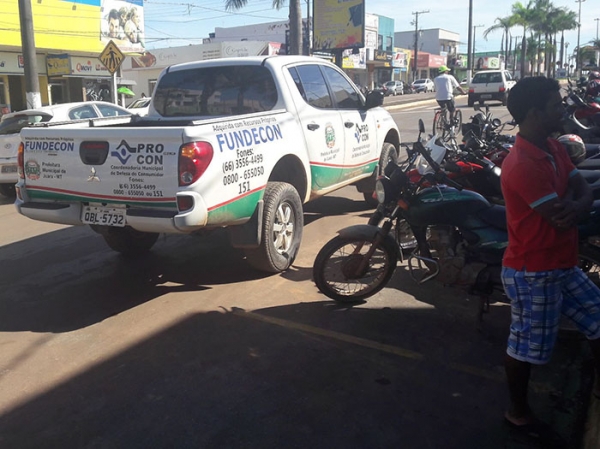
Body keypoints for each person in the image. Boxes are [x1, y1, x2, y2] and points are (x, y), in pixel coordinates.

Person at [501, 76, 600, 443]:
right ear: (534, 113)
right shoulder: (523, 163)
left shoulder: (553, 147)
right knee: (528, 349)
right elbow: (560, 215)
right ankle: (517, 414)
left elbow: (582, 190)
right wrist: (577, 205)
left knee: (597, 318)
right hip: (534, 271)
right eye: (556, 105)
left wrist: (577, 204)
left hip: (562, 264)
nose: (563, 109)